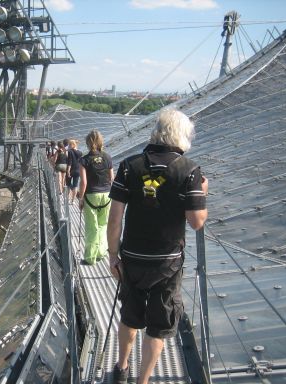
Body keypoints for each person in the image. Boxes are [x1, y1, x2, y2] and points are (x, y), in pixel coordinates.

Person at [107, 109, 208, 384]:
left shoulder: (129, 166)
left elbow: (115, 217)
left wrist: (113, 256)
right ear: (182, 135)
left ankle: (121, 368)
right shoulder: (190, 171)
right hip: (167, 263)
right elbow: (196, 222)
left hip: (132, 259)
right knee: (159, 327)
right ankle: (142, 381)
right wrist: (203, 193)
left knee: (129, 317)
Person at [78, 130, 114, 265]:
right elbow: (112, 178)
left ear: (88, 143)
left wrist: (81, 199)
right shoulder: (107, 157)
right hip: (107, 195)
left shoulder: (84, 160)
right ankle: (101, 252)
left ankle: (90, 257)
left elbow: (84, 182)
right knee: (103, 225)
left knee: (91, 227)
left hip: (91, 195)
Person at [66, 139, 82, 204]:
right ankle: (73, 201)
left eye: (69, 144)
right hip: (78, 170)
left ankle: (67, 198)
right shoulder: (80, 152)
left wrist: (68, 171)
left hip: (71, 170)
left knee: (68, 184)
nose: (69, 146)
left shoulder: (70, 151)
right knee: (75, 186)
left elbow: (70, 162)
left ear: (73, 145)